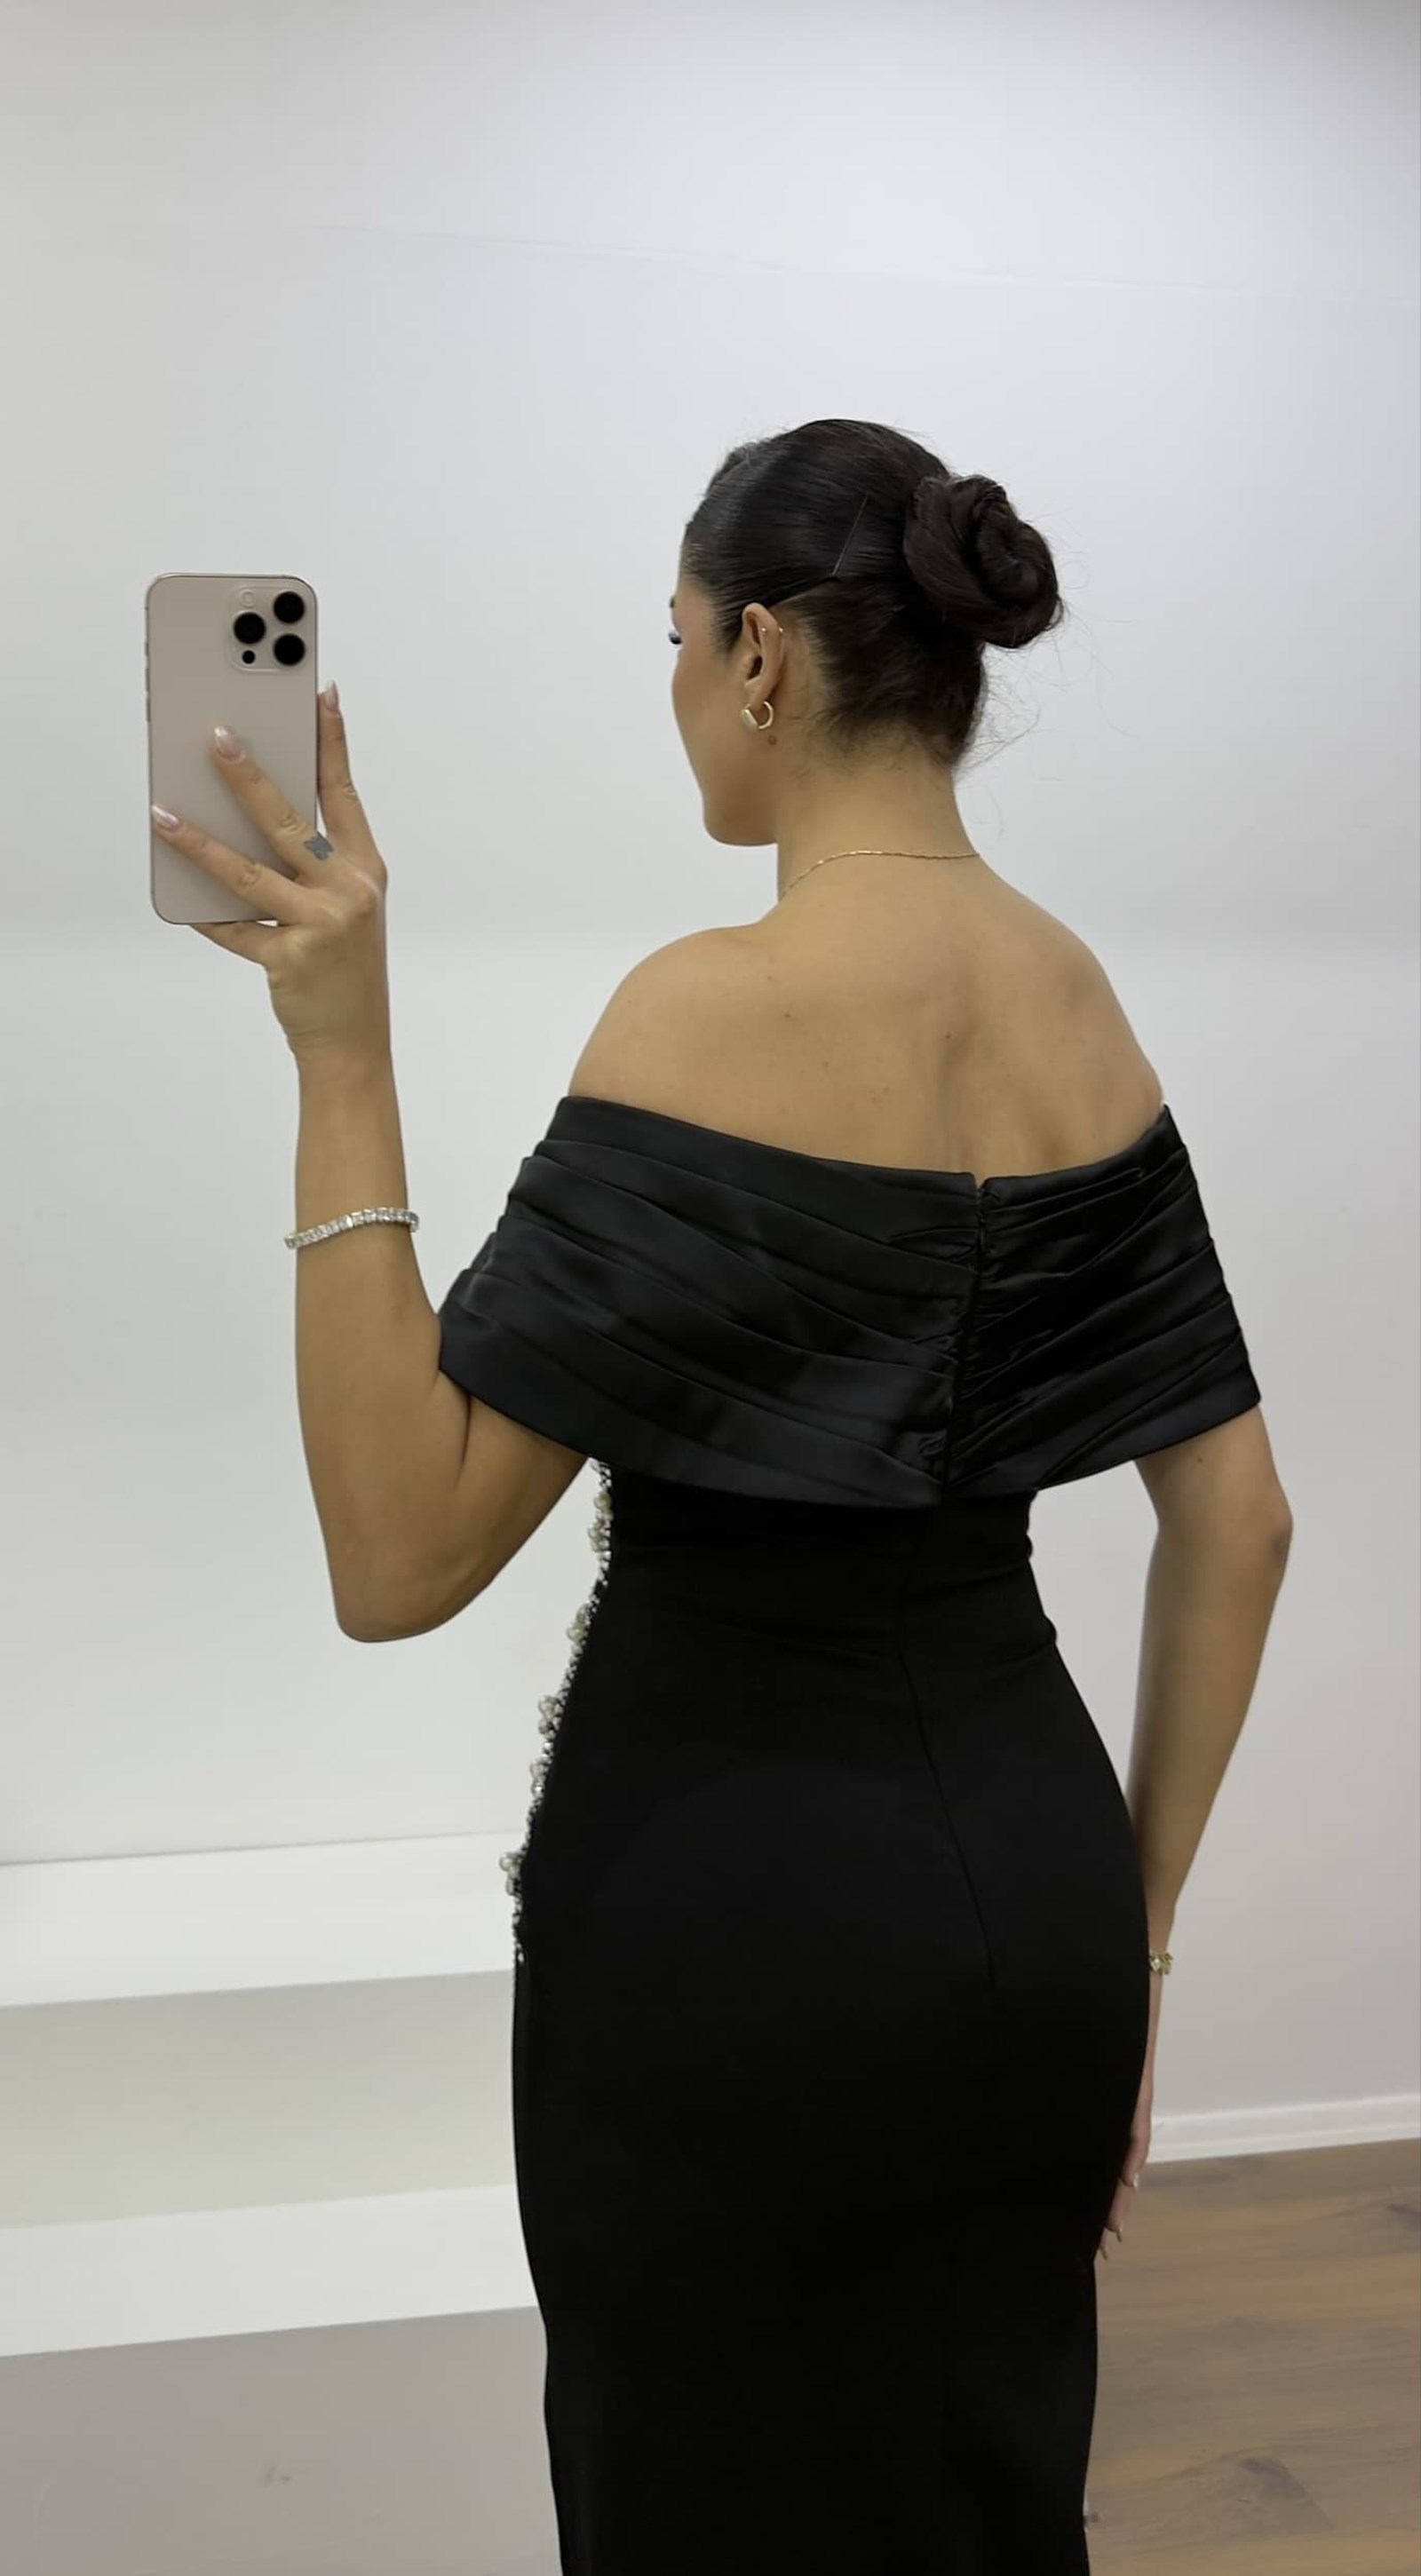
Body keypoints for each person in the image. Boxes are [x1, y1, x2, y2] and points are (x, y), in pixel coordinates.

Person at [433, 417, 1294, 2572]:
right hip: (1030, 1885)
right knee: (975, 2496)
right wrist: (1132, 1938)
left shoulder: (699, 1008)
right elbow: (1240, 1519)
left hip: (730, 1914)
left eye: (667, 640)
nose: (669, 691)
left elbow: (397, 1545)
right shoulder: (1072, 1000)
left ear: (757, 657)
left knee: (696, 2499)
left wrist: (336, 1042)